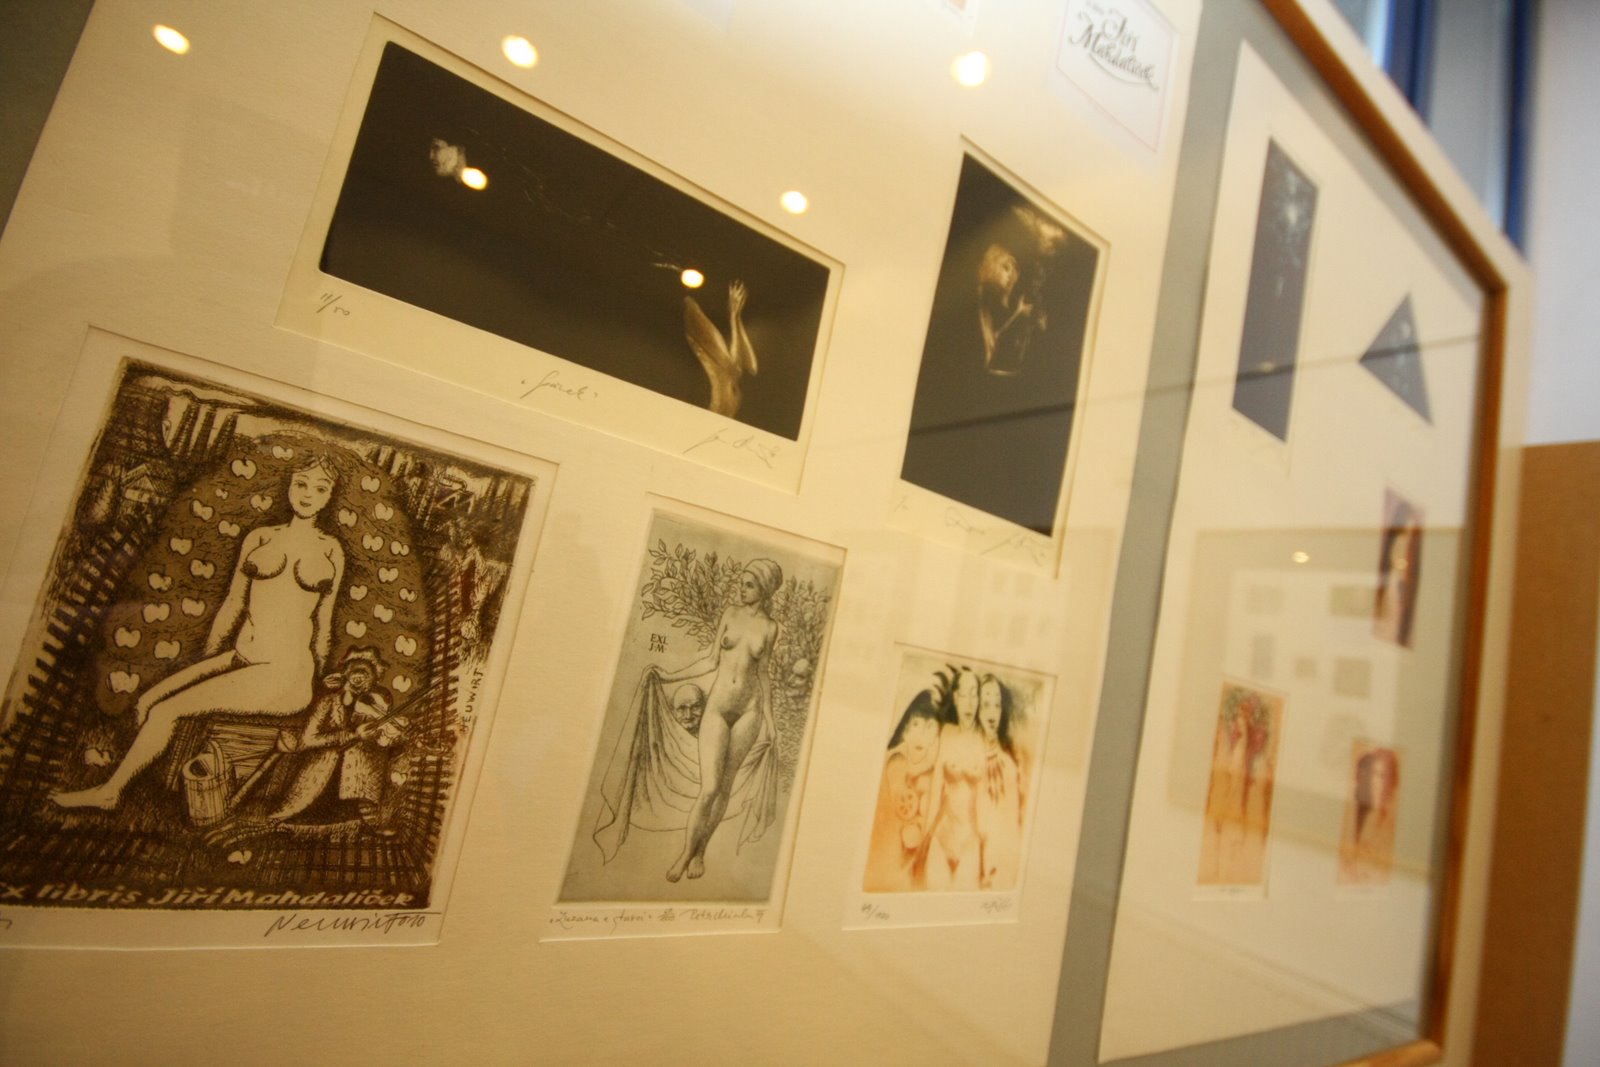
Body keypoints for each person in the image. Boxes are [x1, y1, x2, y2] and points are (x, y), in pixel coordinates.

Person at [53, 455, 346, 810]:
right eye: (301, 484)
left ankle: (111, 792)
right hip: (242, 658)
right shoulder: (260, 538)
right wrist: (208, 659)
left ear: (329, 496)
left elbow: (324, 623)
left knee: (166, 711)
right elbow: (233, 603)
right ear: (290, 486)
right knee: (147, 701)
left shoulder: (331, 550)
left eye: (320, 489)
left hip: (286, 674)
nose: (308, 494)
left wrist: (319, 682)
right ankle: (140, 774)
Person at [649, 559, 782, 882]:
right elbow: (710, 660)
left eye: (749, 584)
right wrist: (669, 676)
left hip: (750, 711)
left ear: (764, 589)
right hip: (719, 708)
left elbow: (763, 675)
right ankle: (685, 854)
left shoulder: (770, 628)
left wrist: (770, 721)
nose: (742, 589)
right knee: (709, 788)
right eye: (742, 583)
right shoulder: (730, 614)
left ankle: (701, 852)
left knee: (725, 787)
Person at [268, 646, 407, 830]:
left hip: (358, 780)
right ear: (345, 675)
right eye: (355, 671)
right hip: (324, 773)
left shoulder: (376, 704)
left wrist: (390, 734)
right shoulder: (328, 701)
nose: (360, 678)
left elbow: (388, 740)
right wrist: (353, 735)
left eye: (366, 673)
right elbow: (307, 739)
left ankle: (367, 812)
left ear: (374, 679)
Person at [863, 687, 943, 892]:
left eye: (929, 727)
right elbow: (901, 794)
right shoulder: (897, 760)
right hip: (884, 858)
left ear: (936, 736)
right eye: (916, 724)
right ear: (906, 729)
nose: (921, 734)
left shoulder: (930, 770)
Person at [920, 667, 985, 889]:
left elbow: (985, 803)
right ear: (956, 698)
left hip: (970, 843)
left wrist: (987, 848)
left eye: (974, 694)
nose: (969, 702)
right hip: (942, 838)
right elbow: (935, 792)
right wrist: (925, 839)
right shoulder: (946, 733)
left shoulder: (983, 741)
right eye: (964, 695)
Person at [974, 674, 1022, 890]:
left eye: (996, 705)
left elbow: (1011, 825)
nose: (991, 713)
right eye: (985, 705)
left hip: (998, 863)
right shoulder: (966, 757)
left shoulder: (1008, 765)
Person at [1339, 746, 1400, 884]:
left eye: (1385, 776)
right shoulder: (1356, 816)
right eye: (1376, 775)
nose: (1380, 783)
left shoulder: (1392, 827)